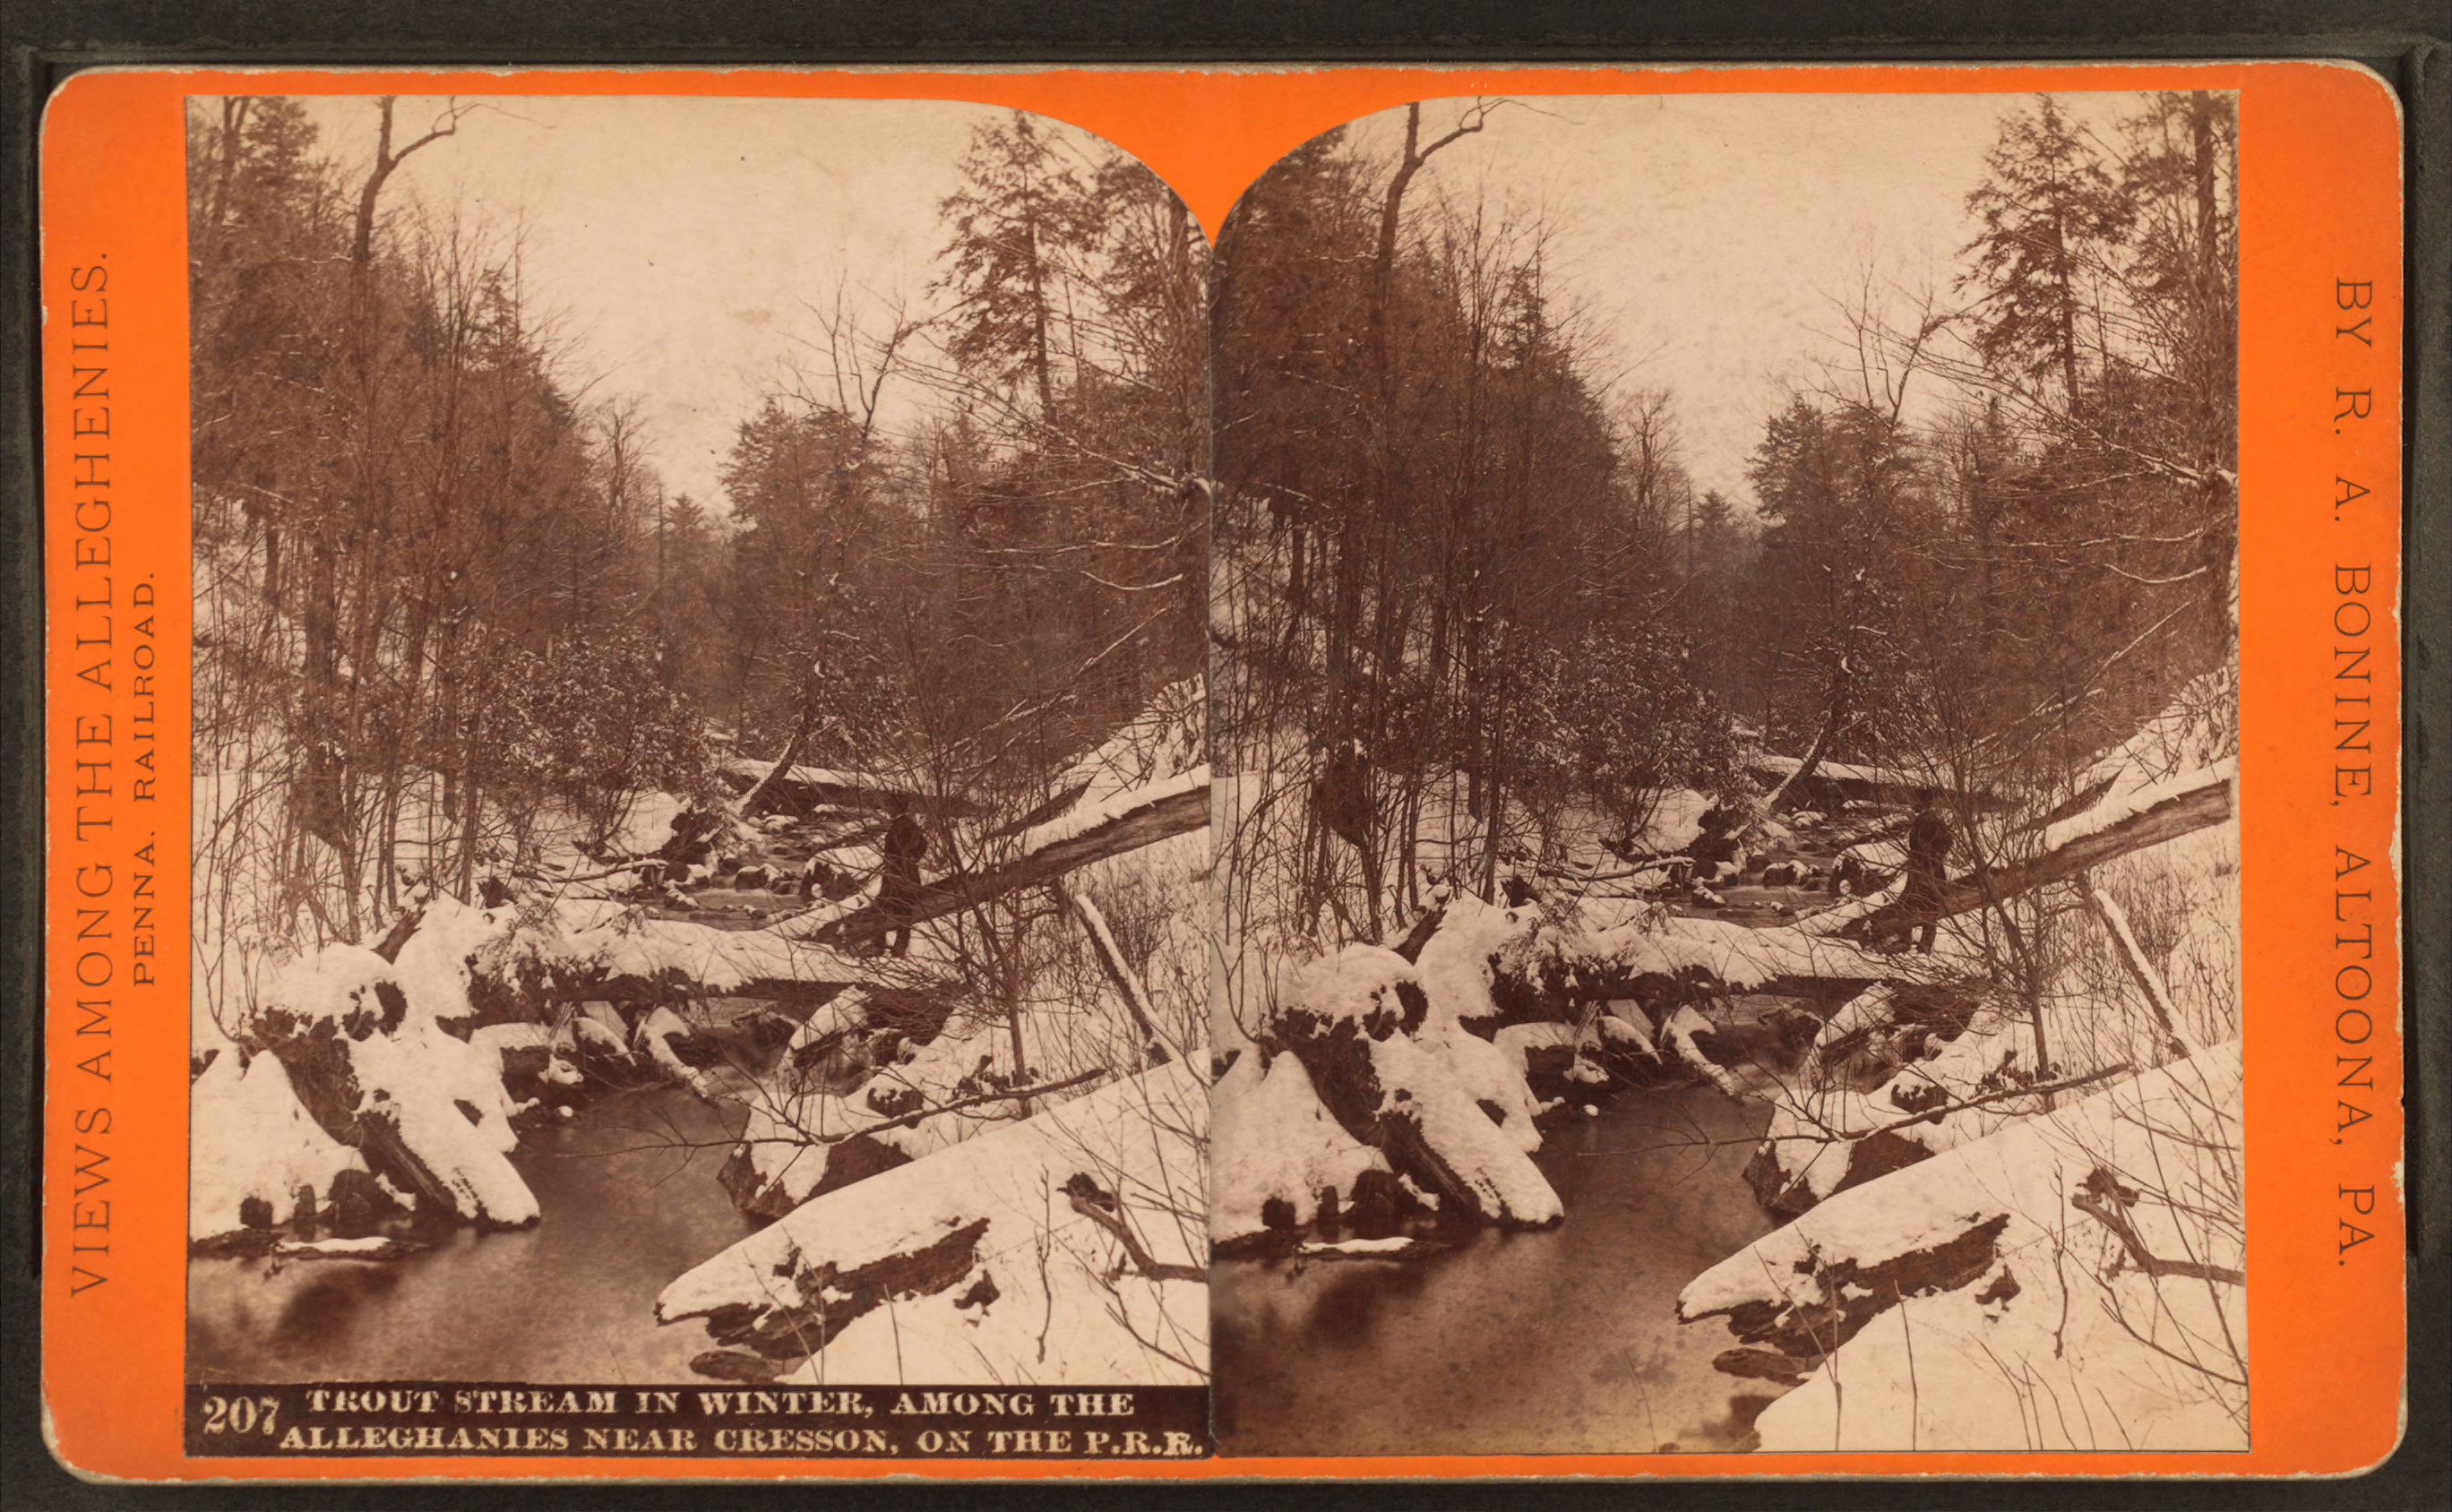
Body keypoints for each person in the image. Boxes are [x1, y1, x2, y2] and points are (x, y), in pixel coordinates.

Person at [1903, 788, 1953, 954]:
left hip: (1924, 870)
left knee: (1919, 905)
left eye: (1914, 801)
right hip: (1928, 868)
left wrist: (1927, 859)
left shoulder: (1928, 820)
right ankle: (1919, 942)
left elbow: (1943, 843)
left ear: (1922, 803)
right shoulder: (1932, 819)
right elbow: (1947, 842)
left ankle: (1916, 943)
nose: (1911, 804)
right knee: (1924, 905)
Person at [879, 799, 927, 957]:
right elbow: (923, 845)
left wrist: (907, 860)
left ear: (897, 807)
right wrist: (912, 859)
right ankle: (896, 948)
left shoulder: (902, 826)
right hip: (903, 873)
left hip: (899, 875)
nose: (888, 809)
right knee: (902, 911)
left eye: (890, 806)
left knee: (886, 909)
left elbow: (921, 846)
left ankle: (886, 948)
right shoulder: (907, 824)